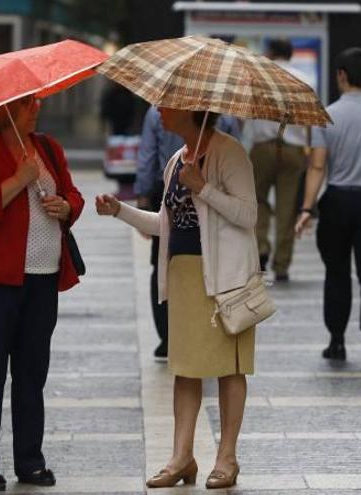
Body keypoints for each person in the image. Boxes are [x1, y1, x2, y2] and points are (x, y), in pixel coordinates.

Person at [96, 109, 257, 490]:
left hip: (225, 276)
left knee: (229, 367)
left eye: (168, 105)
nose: (159, 111)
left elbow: (248, 215)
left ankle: (227, 459)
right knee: (184, 369)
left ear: (192, 111)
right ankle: (181, 457)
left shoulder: (229, 153)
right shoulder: (175, 159)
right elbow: (164, 223)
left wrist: (203, 187)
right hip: (184, 274)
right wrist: (120, 211)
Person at [0, 94, 85, 491]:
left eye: (38, 101)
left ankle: (30, 461)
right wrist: (18, 180)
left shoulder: (47, 147)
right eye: (28, 103)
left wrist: (66, 206)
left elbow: (73, 195)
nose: (37, 108)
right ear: (4, 109)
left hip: (43, 277)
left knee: (31, 375)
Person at [295, 47, 361, 366]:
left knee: (336, 271)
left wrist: (307, 209)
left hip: (338, 199)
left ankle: (336, 340)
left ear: (341, 75)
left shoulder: (327, 116)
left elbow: (317, 167)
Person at [244, 38, 312, 282]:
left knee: (257, 200)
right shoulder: (304, 79)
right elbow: (310, 119)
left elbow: (245, 113)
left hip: (262, 148)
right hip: (293, 149)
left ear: (271, 52)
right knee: (287, 208)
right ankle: (282, 264)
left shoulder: (258, 77)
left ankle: (261, 248)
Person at [135, 106, 184, 360]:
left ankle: (167, 336)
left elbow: (147, 155)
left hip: (165, 190)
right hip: (204, 192)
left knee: (162, 261)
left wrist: (143, 197)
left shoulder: (157, 111)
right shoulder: (222, 111)